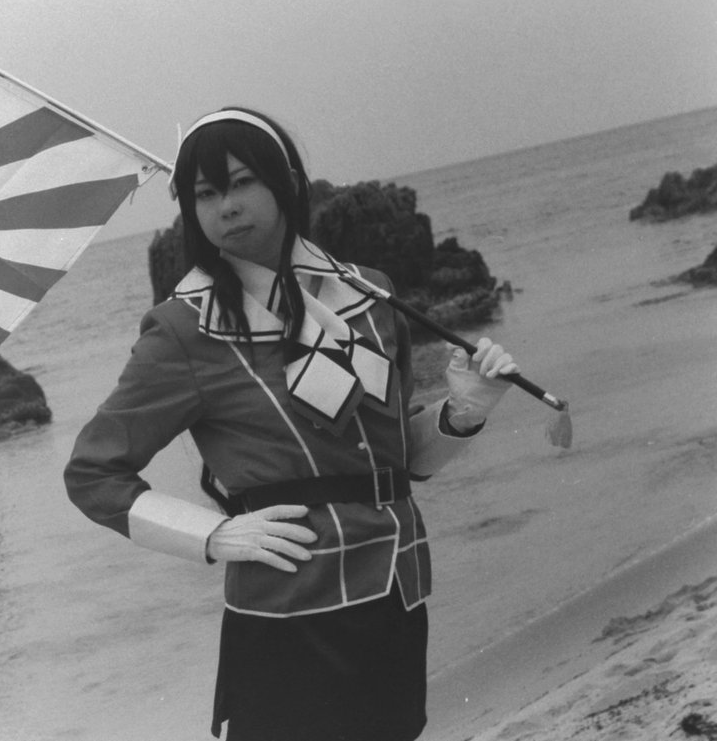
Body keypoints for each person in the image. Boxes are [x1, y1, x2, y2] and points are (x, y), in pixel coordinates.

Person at [63, 107, 518, 741]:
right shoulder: (183, 331)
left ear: (287, 184)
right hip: (287, 614)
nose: (226, 206)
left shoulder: (371, 297)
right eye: (206, 193)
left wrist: (463, 412)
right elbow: (92, 474)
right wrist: (213, 534)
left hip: (396, 591)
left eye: (242, 182)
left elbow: (394, 467)